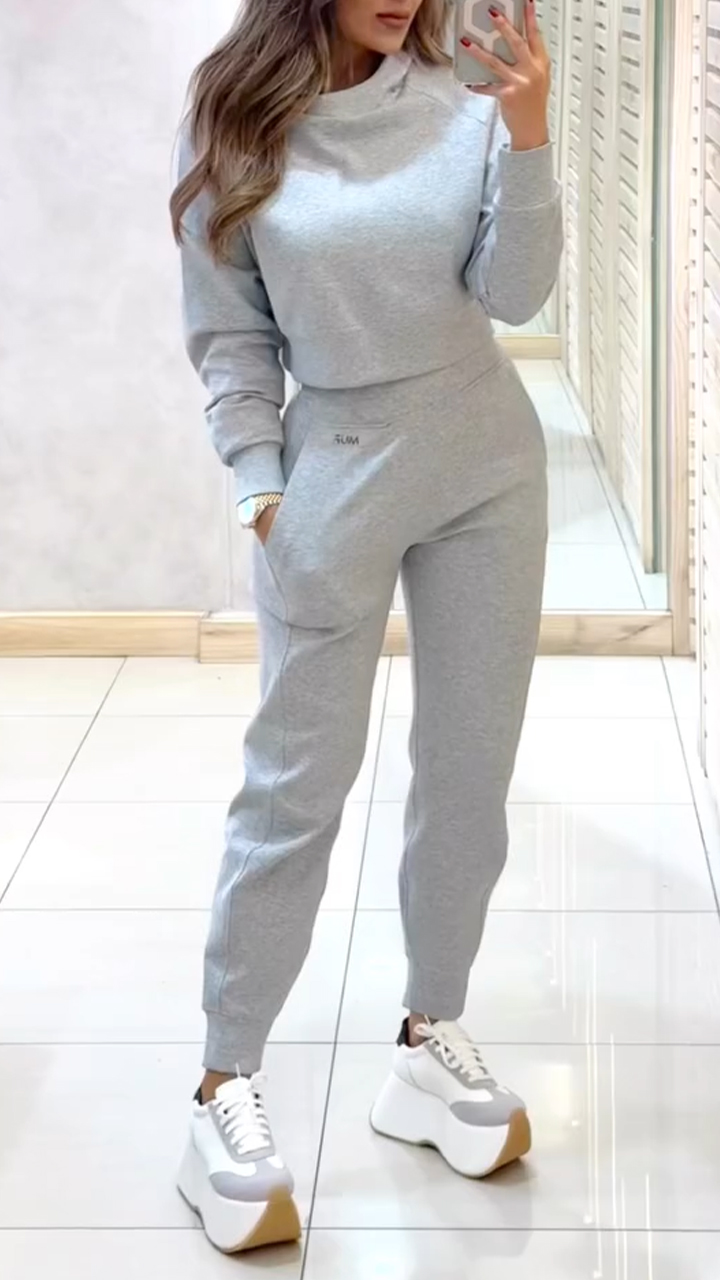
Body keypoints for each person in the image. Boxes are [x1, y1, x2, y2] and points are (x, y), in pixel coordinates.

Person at [171, 0, 561, 1254]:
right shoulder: (238, 115)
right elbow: (230, 334)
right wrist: (260, 485)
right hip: (332, 470)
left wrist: (528, 130)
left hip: (486, 464)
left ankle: (426, 1036)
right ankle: (223, 1082)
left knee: (468, 774)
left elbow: (514, 292)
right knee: (296, 787)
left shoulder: (465, 91)